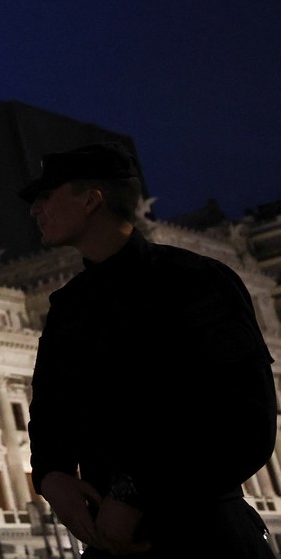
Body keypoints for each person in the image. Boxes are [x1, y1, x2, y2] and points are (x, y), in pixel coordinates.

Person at [20, 143, 277, 558]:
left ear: (90, 200)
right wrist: (52, 476)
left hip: (201, 529)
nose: (35, 210)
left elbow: (247, 419)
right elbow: (49, 413)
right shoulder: (67, 306)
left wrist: (135, 494)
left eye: (47, 195)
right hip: (109, 537)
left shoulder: (196, 281)